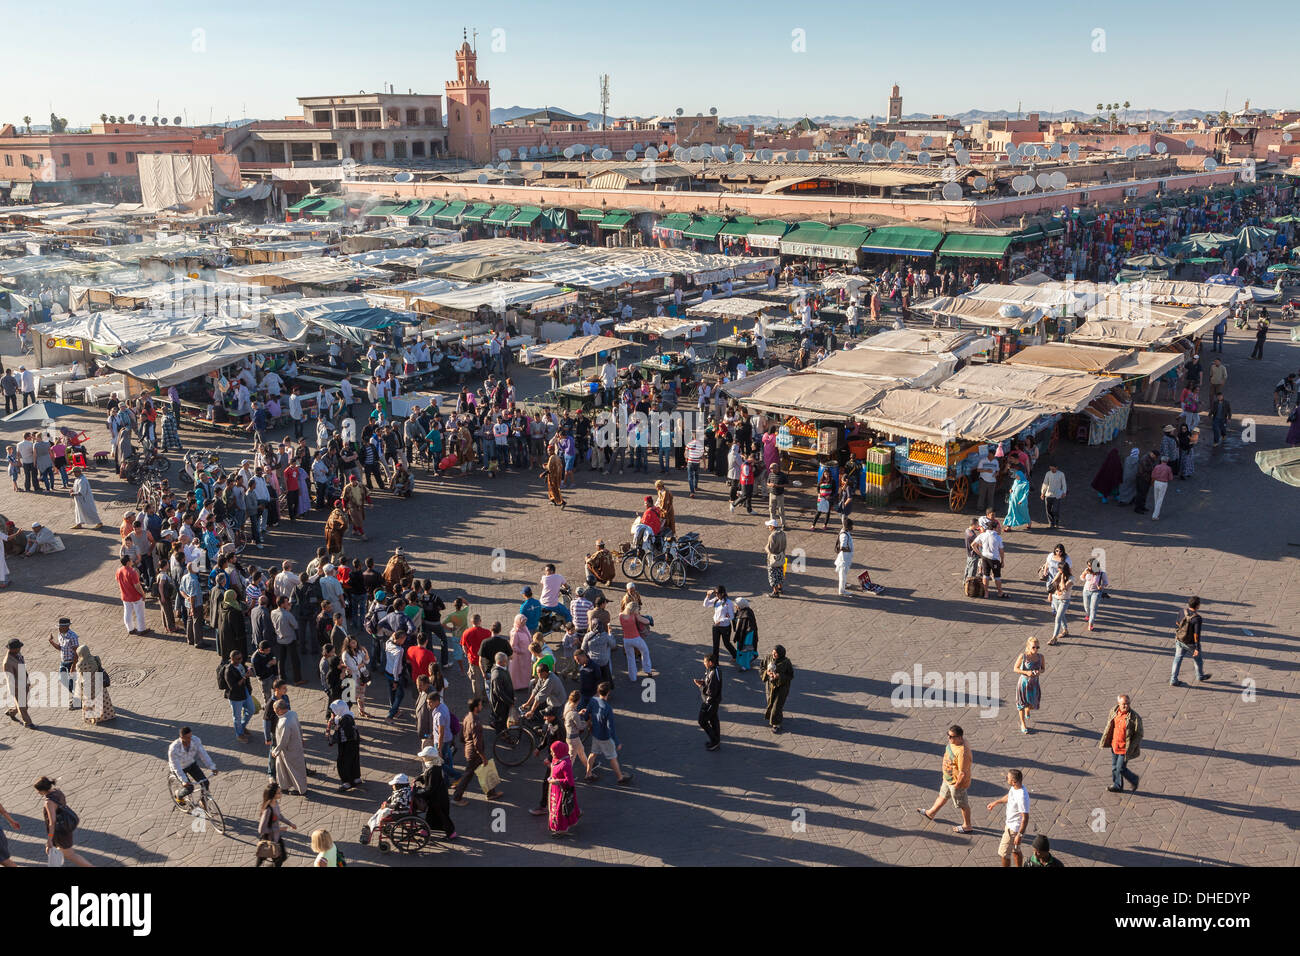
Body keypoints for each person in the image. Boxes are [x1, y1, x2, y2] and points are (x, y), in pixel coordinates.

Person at [917, 725, 974, 833]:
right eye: (948, 735)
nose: (949, 738)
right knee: (942, 796)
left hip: (956, 783)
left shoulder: (962, 752)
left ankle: (967, 825)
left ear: (960, 737)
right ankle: (931, 813)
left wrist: (957, 785)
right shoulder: (954, 743)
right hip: (948, 779)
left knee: (962, 804)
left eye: (952, 736)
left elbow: (963, 773)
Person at [452, 697, 504, 805]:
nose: (481, 707)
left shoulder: (467, 717)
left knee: (483, 771)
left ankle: (491, 793)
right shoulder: (476, 723)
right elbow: (477, 744)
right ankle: (457, 797)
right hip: (475, 754)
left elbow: (461, 736)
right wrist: (483, 757)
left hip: (469, 750)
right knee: (468, 775)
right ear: (476, 708)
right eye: (480, 705)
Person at [36, 776, 92, 868]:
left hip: (60, 832)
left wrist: (49, 839)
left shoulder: (49, 802)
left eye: (38, 791)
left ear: (43, 790)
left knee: (70, 855)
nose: (38, 793)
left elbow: (52, 821)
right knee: (55, 850)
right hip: (64, 826)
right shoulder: (57, 792)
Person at [587, 682, 634, 785]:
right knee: (612, 757)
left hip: (595, 733)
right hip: (604, 737)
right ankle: (620, 777)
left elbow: (587, 714)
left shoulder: (593, 700)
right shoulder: (608, 708)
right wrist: (617, 742)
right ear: (608, 693)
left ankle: (588, 774)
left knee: (593, 753)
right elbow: (610, 728)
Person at [986, 769, 1030, 867]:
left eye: (1008, 778)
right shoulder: (1015, 788)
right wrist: (996, 802)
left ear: (1014, 782)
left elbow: (1025, 818)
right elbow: (1009, 796)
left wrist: (1019, 835)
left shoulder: (1021, 796)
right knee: (1016, 850)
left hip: (1013, 830)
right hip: (1012, 826)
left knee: (1004, 854)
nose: (1006, 778)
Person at [1099, 694, 1142, 793]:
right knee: (1114, 767)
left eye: (1128, 704)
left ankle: (1134, 779)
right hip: (1115, 745)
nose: (1126, 706)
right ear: (1118, 704)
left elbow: (1139, 734)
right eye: (1123, 704)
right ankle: (1117, 786)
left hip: (1125, 748)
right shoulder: (1114, 712)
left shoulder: (1134, 717)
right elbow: (1110, 726)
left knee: (1121, 768)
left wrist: (1132, 746)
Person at [1171, 595, 1211, 686]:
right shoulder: (1197, 618)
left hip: (1180, 640)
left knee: (1177, 659)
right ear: (1197, 606)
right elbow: (1196, 634)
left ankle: (1173, 679)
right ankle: (1200, 676)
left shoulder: (1182, 611)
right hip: (1191, 644)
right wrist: (1196, 647)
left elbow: (1177, 623)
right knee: (1198, 660)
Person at [271, 698, 308, 795]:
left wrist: (276, 751)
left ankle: (301, 789)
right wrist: (301, 738)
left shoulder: (285, 722)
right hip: (295, 746)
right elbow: (299, 727)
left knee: (294, 770)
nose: (275, 712)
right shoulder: (292, 713)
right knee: (282, 768)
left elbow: (284, 740)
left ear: (279, 710)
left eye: (275, 710)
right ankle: (284, 786)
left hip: (288, 750)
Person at [546, 740, 581, 838]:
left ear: (559, 751)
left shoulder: (566, 764)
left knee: (560, 811)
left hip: (562, 792)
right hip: (555, 791)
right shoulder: (557, 759)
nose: (551, 754)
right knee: (558, 810)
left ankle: (562, 829)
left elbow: (569, 781)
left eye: (553, 751)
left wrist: (555, 781)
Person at [256, 782, 296, 867]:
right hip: (270, 840)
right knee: (276, 860)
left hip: (277, 837)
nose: (281, 793)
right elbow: (261, 830)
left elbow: (279, 816)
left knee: (282, 857)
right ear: (273, 795)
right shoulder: (268, 810)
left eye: (280, 791)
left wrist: (290, 823)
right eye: (278, 793)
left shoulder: (276, 803)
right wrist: (279, 829)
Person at [327, 699, 363, 790]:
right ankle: (356, 778)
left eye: (334, 711)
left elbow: (340, 734)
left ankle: (347, 782)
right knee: (354, 760)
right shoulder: (348, 716)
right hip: (354, 743)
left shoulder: (344, 720)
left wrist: (331, 740)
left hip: (346, 745)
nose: (333, 713)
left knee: (343, 762)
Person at [1013, 638, 1044, 734]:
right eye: (1033, 647)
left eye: (1037, 647)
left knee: (1033, 704)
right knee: (1021, 705)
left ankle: (1028, 708)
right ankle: (1023, 724)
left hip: (1034, 684)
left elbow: (1043, 669)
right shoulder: (1023, 656)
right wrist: (1026, 672)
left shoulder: (1040, 657)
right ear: (1028, 647)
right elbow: (1015, 668)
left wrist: (1039, 672)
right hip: (1023, 683)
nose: (1036, 649)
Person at [760, 645, 794, 732]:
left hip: (782, 687)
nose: (774, 654)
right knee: (771, 703)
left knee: (777, 706)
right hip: (770, 687)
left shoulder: (786, 662)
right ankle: (776, 717)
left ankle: (776, 724)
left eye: (776, 653)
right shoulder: (768, 658)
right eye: (773, 652)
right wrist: (767, 673)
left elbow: (790, 675)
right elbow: (762, 668)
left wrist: (779, 676)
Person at [4, 638, 35, 728]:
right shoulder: (7, 662)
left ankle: (12, 712)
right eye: (18, 648)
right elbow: (11, 679)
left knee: (23, 704)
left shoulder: (17, 653)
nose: (20, 649)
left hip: (24, 682)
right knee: (22, 706)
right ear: (12, 649)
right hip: (17, 687)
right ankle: (28, 723)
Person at [702, 586, 737, 662]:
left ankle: (735, 654)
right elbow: (706, 604)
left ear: (723, 593)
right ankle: (715, 662)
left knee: (726, 643)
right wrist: (708, 596)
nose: (716, 595)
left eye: (718, 594)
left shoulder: (728, 603)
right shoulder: (716, 600)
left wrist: (721, 621)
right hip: (716, 626)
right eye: (715, 594)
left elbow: (731, 616)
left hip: (725, 627)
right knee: (715, 645)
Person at [694, 655, 722, 751]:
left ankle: (714, 740)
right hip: (713, 701)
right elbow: (709, 684)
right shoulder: (712, 670)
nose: (703, 663)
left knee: (702, 721)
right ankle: (716, 740)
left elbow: (711, 692)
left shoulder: (714, 673)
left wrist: (700, 687)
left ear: (710, 662)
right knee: (714, 720)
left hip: (710, 702)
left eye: (705, 661)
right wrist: (703, 683)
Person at [1046, 559, 1072, 646]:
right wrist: (1058, 576)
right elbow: (1053, 584)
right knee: (1061, 615)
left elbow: (1063, 588)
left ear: (1063, 570)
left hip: (1064, 600)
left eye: (1059, 569)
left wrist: (1062, 578)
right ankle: (1065, 630)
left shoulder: (1071, 578)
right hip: (1056, 598)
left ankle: (1054, 638)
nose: (1058, 570)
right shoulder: (1059, 574)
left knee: (1058, 618)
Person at [1002, 466, 1031, 531]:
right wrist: (1011, 490)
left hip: (1021, 502)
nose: (1016, 477)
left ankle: (1029, 522)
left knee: (1024, 513)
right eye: (1016, 476)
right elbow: (1013, 488)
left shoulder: (1025, 483)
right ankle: (1008, 527)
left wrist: (1022, 500)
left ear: (1021, 476)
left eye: (1017, 476)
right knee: (1010, 512)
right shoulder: (1015, 481)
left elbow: (1025, 494)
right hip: (1012, 500)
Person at [1039, 463, 1066, 530]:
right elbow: (1045, 483)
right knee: (1048, 510)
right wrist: (1042, 493)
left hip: (1057, 495)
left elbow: (1064, 484)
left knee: (1055, 510)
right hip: (1048, 495)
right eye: (1050, 469)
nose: (1052, 470)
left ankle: (1056, 522)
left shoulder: (1061, 474)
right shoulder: (1048, 473)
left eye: (1053, 469)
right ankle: (1051, 523)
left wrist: (1064, 492)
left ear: (1056, 467)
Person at [764, 519, 787, 597]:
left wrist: (766, 548)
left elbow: (771, 549)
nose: (768, 528)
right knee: (780, 572)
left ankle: (775, 592)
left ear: (773, 526)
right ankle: (780, 588)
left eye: (769, 526)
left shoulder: (772, 536)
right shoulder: (783, 533)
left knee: (772, 575)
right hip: (781, 556)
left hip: (773, 558)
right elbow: (785, 545)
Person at [975, 445, 1000, 513]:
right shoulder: (983, 460)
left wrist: (996, 474)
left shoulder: (996, 462)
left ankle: (990, 508)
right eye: (989, 455)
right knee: (982, 495)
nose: (990, 456)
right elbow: (978, 470)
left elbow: (998, 470)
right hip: (983, 480)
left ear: (994, 455)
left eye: (991, 455)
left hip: (992, 481)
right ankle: (980, 507)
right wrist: (986, 470)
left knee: (991, 496)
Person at [834, 517, 855, 595]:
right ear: (848, 526)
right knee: (842, 575)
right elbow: (842, 547)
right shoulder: (844, 535)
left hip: (845, 558)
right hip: (844, 558)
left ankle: (844, 585)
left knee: (843, 574)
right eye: (851, 526)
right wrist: (849, 550)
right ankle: (842, 591)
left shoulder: (845, 531)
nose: (852, 527)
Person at [1150, 456, 1173, 520]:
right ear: (1167, 461)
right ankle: (1155, 515)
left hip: (1156, 482)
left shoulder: (1157, 466)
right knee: (1160, 499)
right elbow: (1171, 478)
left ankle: (1156, 511)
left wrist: (1152, 482)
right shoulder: (1168, 468)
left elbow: (1152, 475)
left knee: (1156, 497)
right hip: (1163, 483)